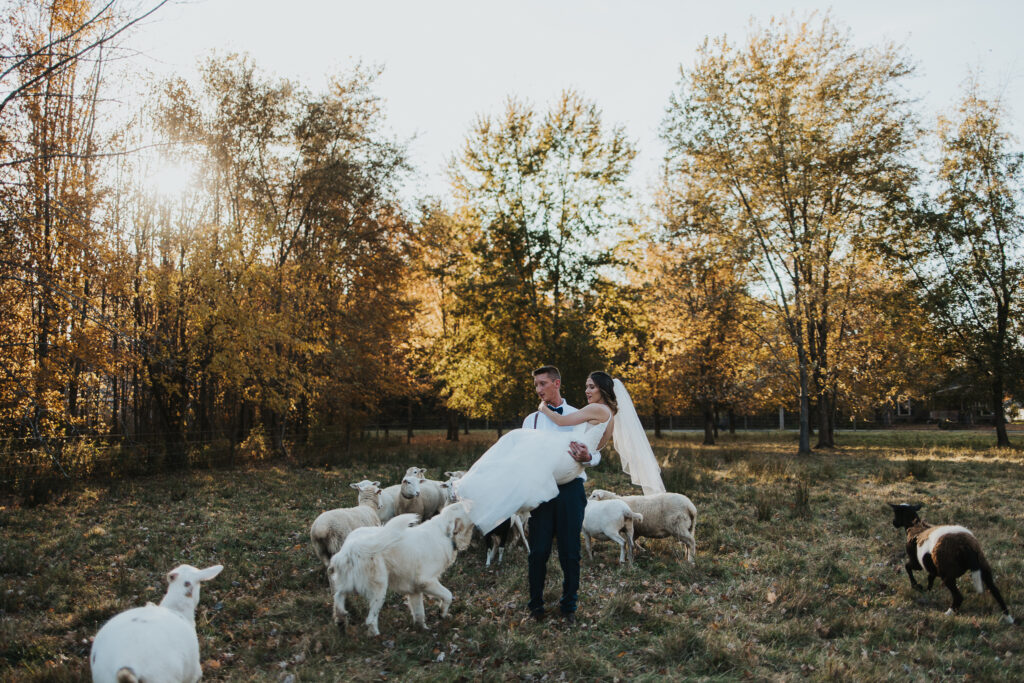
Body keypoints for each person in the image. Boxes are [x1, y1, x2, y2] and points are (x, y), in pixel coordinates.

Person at [454, 367, 665, 621]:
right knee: (538, 551)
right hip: (541, 491)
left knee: (570, 552)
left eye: (543, 384)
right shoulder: (531, 420)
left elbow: (595, 450)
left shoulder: (580, 413)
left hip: (570, 490)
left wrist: (589, 458)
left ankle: (569, 609)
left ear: (557, 383)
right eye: (536, 385)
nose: (539, 390)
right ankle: (535, 607)